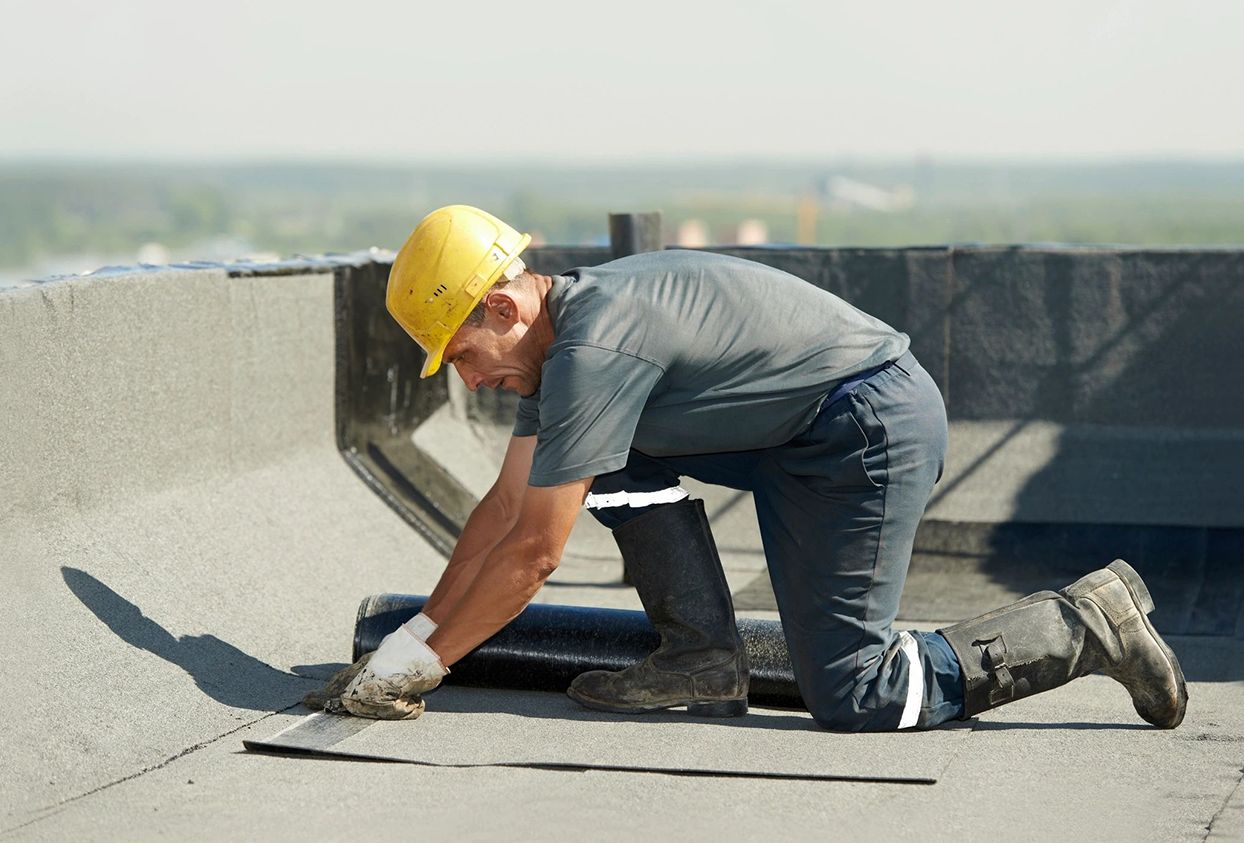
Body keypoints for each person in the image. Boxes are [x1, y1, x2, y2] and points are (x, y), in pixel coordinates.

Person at [307, 204, 1187, 732]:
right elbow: (504, 512)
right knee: (594, 461)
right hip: (799, 433)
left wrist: (421, 669)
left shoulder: (595, 344)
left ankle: (1079, 626)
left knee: (856, 693)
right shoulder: (557, 352)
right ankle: (701, 656)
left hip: (865, 428)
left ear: (503, 302)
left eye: (464, 354)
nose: (470, 379)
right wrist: (412, 638)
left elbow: (534, 554)